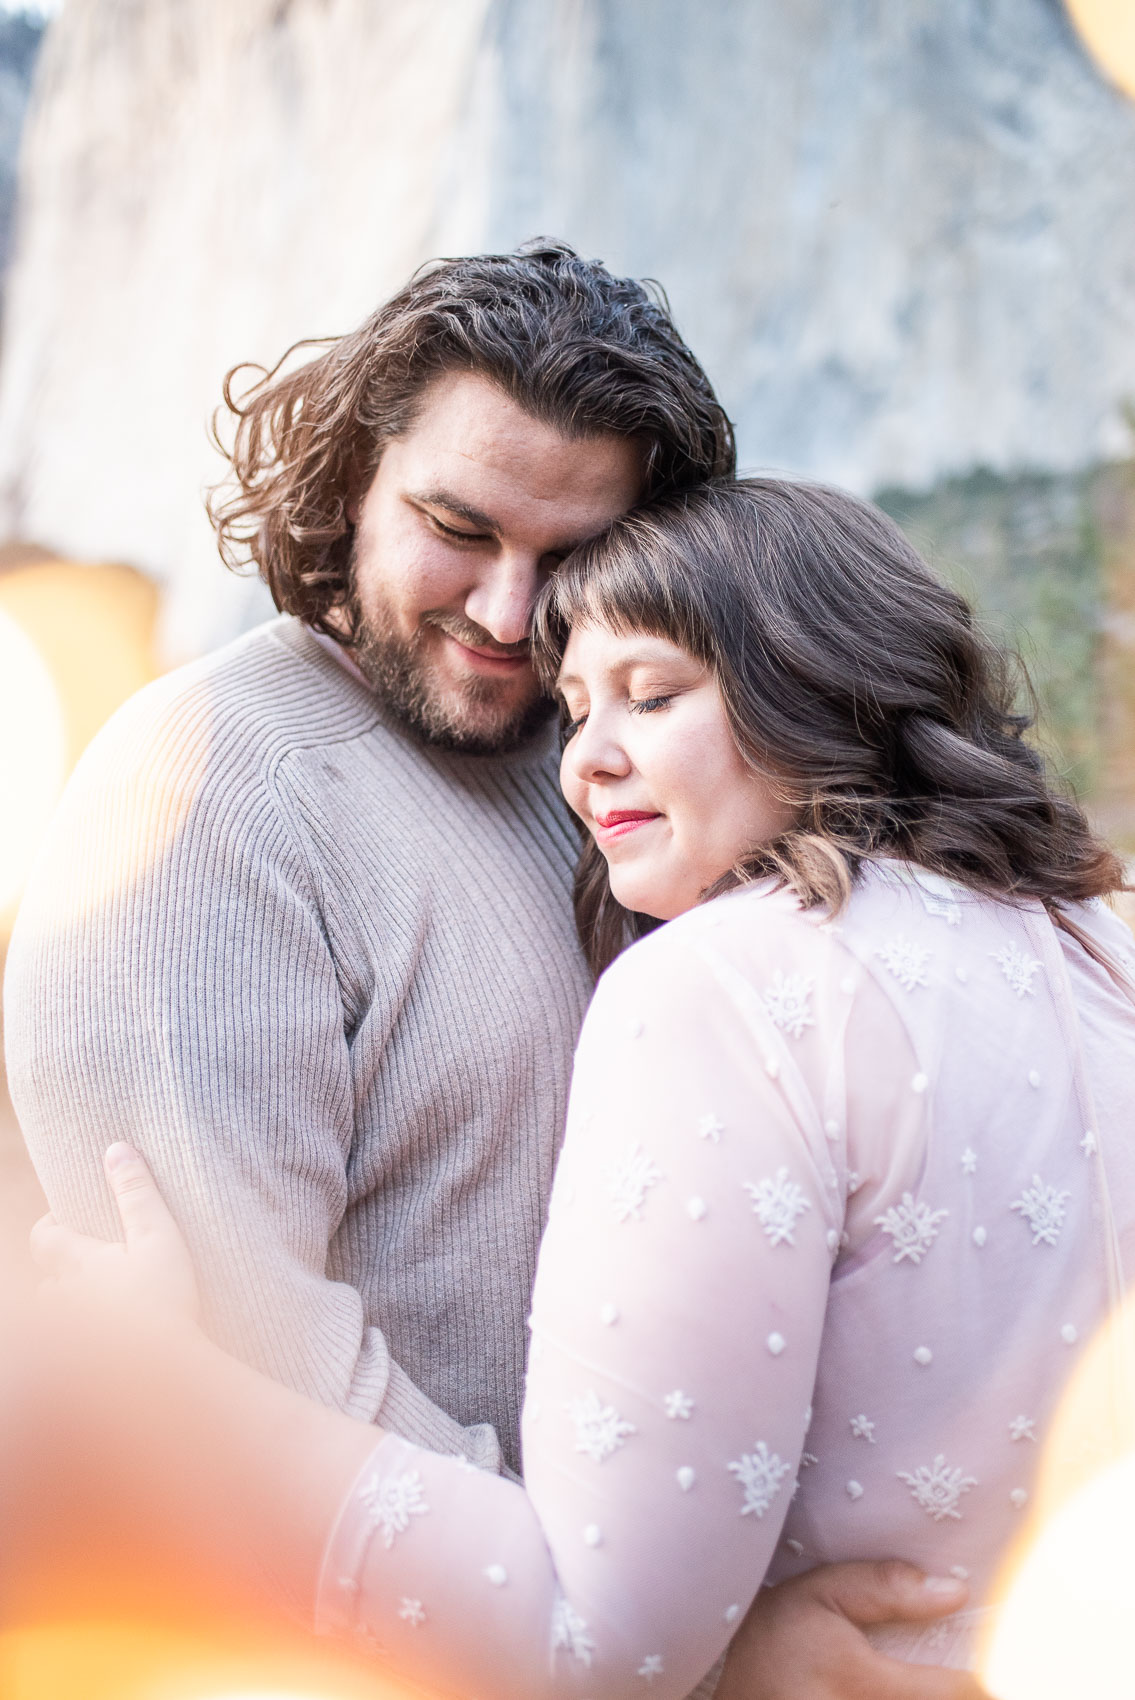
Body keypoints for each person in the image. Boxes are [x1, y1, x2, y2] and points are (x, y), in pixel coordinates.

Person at [3, 244, 985, 1696]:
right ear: (349, 479)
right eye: (458, 527)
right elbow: (236, 1385)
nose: (511, 616)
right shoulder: (209, 790)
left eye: (571, 557)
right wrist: (686, 1656)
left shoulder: (591, 765)